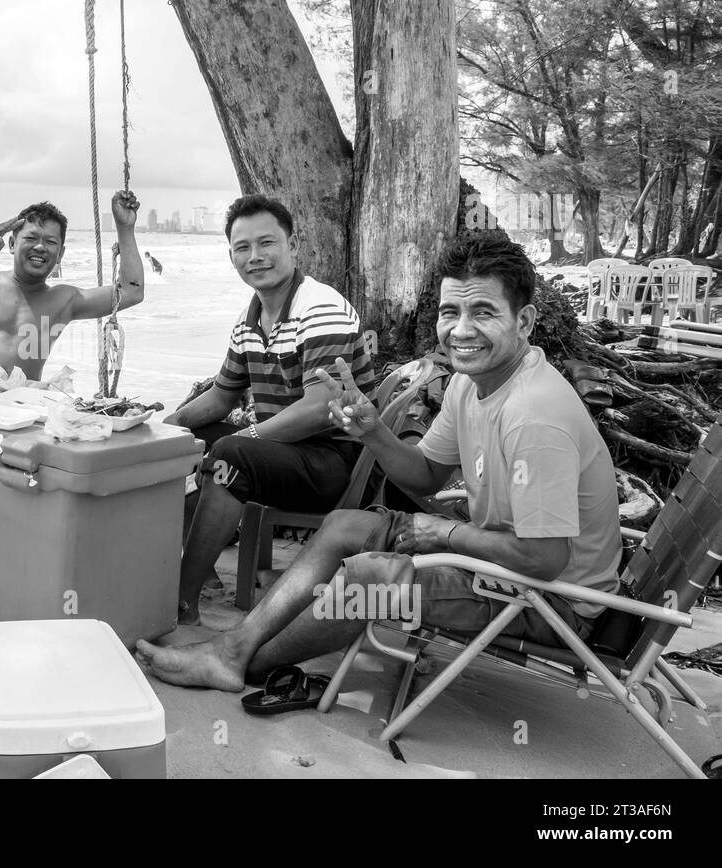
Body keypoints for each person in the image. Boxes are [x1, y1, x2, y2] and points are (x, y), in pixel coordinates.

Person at [136, 235, 622, 692]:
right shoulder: (469, 385)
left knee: (370, 580)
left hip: (551, 602)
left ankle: (246, 661)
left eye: (483, 312)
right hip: (500, 565)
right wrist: (375, 433)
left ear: (526, 321)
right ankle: (234, 649)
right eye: (449, 311)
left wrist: (442, 534)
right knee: (347, 525)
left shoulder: (534, 415)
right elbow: (425, 472)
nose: (461, 330)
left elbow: (544, 559)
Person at [163, 194, 376, 624]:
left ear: (292, 246)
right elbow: (223, 396)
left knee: (230, 453)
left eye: (267, 243)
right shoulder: (251, 318)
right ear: (231, 256)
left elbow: (320, 409)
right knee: (185, 442)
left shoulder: (319, 307)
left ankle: (181, 600)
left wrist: (248, 436)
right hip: (287, 453)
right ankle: (203, 575)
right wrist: (165, 427)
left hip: (336, 460)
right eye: (243, 248)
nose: (255, 257)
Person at [0, 190, 144, 381]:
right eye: (31, 238)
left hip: (21, 413)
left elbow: (132, 292)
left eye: (51, 242)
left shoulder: (64, 300)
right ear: (12, 244)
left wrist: (125, 228)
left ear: (60, 255)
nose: (40, 247)